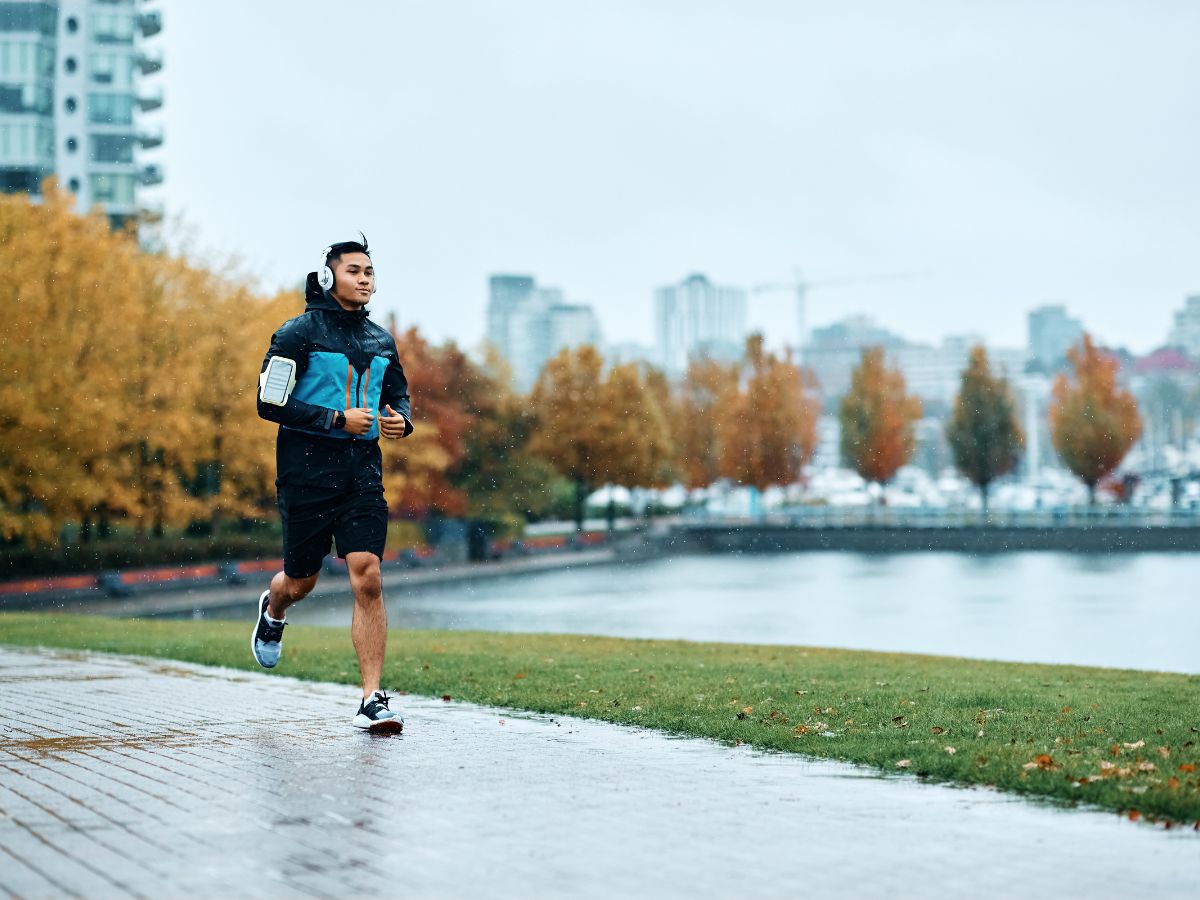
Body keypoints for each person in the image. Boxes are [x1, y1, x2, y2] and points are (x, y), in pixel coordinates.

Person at [252, 235, 412, 732]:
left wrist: (400, 421)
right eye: (354, 271)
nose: (365, 279)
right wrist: (335, 420)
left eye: (369, 272)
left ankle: (372, 699)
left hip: (362, 474)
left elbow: (399, 395)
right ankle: (274, 607)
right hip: (305, 474)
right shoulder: (296, 334)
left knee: (368, 574)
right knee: (301, 581)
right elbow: (268, 404)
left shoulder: (381, 340)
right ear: (329, 278)